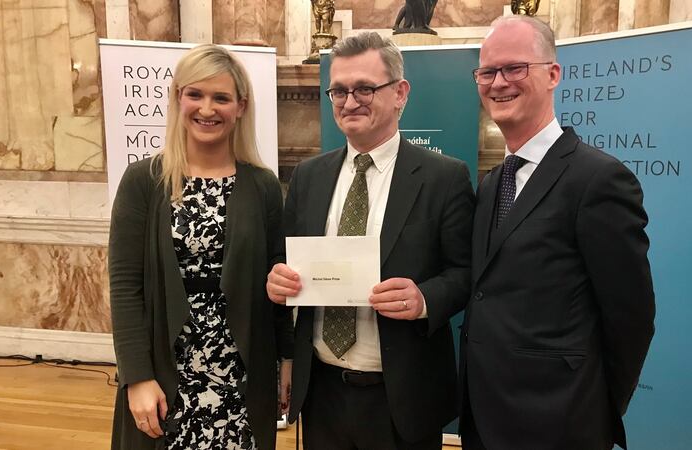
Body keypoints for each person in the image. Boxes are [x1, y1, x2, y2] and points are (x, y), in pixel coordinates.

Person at [265, 31, 474, 450]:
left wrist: (424, 299)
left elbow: (468, 271)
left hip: (402, 396)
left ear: (400, 93)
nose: (350, 101)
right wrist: (278, 282)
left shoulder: (443, 177)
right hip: (321, 392)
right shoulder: (309, 176)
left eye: (364, 88)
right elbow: (283, 261)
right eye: (339, 90)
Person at [460, 16, 656, 450]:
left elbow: (631, 316)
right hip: (485, 417)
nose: (498, 83)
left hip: (561, 422)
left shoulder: (599, 179)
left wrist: (596, 408)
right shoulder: (493, 182)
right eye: (487, 72)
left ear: (553, 74)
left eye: (515, 68)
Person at [108, 44, 294, 450]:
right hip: (166, 369)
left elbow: (277, 280)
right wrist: (136, 376)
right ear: (178, 98)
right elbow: (125, 287)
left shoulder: (262, 185)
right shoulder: (145, 180)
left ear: (240, 107)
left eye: (221, 97)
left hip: (241, 372)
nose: (207, 108)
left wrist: (288, 359)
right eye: (196, 94)